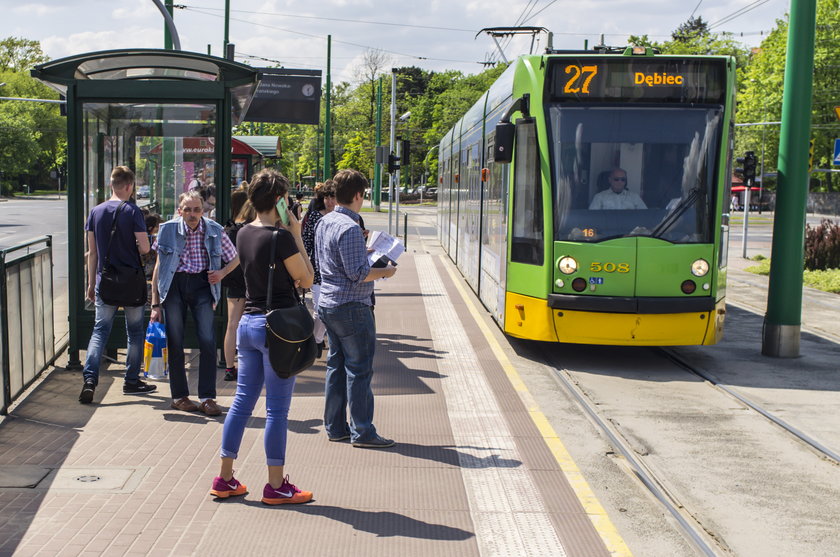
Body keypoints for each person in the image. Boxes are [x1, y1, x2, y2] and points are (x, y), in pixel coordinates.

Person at [210, 169, 315, 504]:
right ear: (281, 200)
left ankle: (225, 478)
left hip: (247, 325)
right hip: (277, 330)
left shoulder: (242, 234)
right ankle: (276, 485)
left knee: (241, 402)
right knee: (276, 411)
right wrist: (296, 232)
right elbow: (307, 279)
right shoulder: (281, 238)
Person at [315, 169, 397, 448]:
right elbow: (358, 273)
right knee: (359, 370)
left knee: (336, 367)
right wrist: (386, 271)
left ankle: (335, 427)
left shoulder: (325, 222)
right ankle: (363, 431)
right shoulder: (349, 228)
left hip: (328, 303)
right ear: (359, 195)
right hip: (352, 306)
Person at [150, 191, 239, 416]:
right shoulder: (167, 229)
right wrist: (155, 304)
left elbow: (236, 257)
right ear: (180, 211)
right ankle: (179, 396)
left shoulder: (215, 230)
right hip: (174, 286)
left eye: (196, 209)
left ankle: (208, 397)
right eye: (187, 209)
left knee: (208, 340)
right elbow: (159, 268)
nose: (192, 214)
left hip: (202, 285)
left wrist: (221, 273)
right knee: (176, 340)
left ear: (203, 210)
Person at [79, 166, 157, 403]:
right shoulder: (133, 212)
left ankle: (90, 380)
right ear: (129, 186)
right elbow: (145, 248)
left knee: (100, 331)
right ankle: (131, 381)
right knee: (134, 332)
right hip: (132, 282)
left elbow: (92, 253)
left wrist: (91, 284)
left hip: (106, 281)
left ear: (111, 185)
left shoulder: (95, 212)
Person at [221, 185, 254, 382]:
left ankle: (229, 367)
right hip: (251, 280)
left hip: (233, 281)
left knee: (232, 325)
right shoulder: (251, 230)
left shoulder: (229, 230)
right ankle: (249, 363)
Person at [301, 180, 336, 358]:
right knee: (320, 310)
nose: (330, 202)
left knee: (329, 311)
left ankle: (317, 339)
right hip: (316, 271)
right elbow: (306, 244)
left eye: (333, 198)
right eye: (327, 198)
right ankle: (315, 340)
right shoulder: (314, 217)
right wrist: (305, 270)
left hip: (336, 273)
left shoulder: (343, 218)